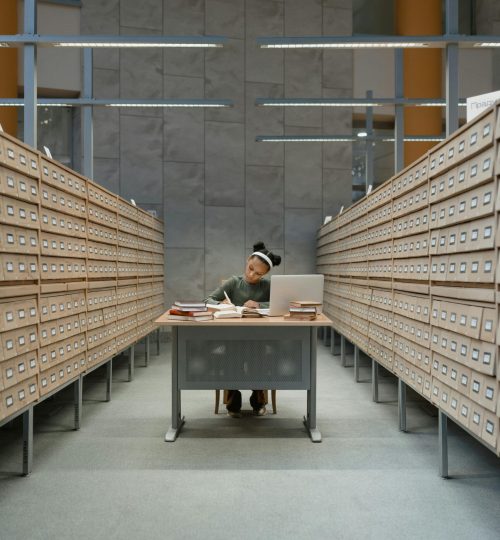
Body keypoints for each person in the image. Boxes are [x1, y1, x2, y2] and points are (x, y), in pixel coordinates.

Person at [204, 241, 281, 418]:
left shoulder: (268, 286)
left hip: (259, 337)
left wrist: (259, 304)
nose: (252, 274)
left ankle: (258, 401)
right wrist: (221, 305)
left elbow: (281, 304)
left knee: (258, 358)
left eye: (258, 273)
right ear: (247, 260)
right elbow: (207, 301)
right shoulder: (233, 282)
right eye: (250, 268)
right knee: (233, 358)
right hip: (233, 336)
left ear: (265, 274)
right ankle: (233, 403)